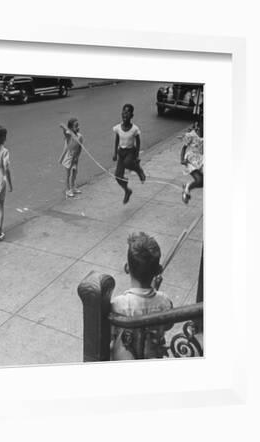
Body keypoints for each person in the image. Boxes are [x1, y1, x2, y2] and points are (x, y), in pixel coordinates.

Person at [110, 232, 173, 360]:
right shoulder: (165, 302)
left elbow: (111, 333)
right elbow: (168, 325)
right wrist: (155, 290)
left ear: (127, 268)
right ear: (158, 271)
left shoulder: (118, 305)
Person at [112, 104, 146, 204]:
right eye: (123, 112)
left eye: (127, 112)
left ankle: (139, 170)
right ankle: (127, 190)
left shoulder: (134, 129)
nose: (125, 114)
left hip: (131, 151)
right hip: (121, 152)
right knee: (118, 176)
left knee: (128, 163)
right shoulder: (118, 128)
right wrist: (114, 153)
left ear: (132, 115)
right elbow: (117, 139)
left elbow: (138, 141)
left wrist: (137, 156)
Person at [181, 115, 204, 204]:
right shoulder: (191, 135)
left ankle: (188, 186)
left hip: (201, 160)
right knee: (199, 180)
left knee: (202, 183)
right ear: (198, 124)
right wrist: (182, 160)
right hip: (191, 160)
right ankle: (187, 189)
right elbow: (183, 148)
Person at [59, 118, 84, 197]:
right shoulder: (69, 136)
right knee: (68, 174)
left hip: (75, 158)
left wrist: (77, 157)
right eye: (75, 126)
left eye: (78, 125)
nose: (78, 127)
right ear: (70, 128)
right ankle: (68, 189)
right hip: (68, 158)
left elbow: (80, 148)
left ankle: (73, 187)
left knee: (75, 173)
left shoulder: (80, 136)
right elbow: (65, 131)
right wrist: (65, 127)